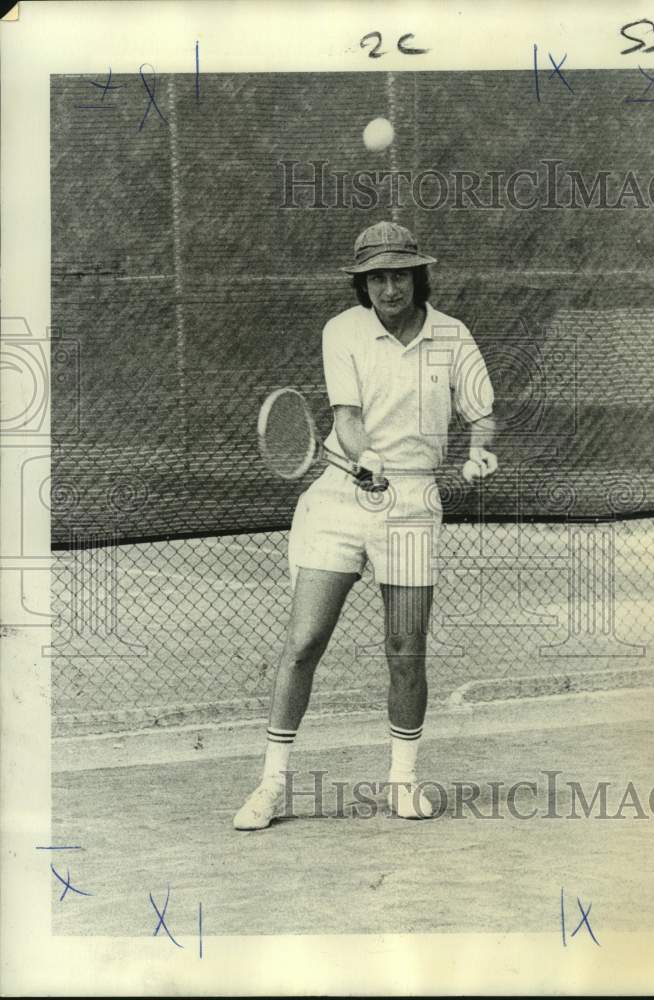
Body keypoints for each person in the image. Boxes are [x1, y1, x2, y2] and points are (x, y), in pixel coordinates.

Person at [234, 220, 497, 830]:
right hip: (341, 497)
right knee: (303, 643)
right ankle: (272, 784)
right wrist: (364, 457)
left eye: (398, 274)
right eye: (376, 277)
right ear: (363, 283)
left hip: (412, 505)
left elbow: (483, 414)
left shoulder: (454, 337)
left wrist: (481, 449)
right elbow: (347, 418)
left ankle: (403, 782)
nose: (388, 288)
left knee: (406, 651)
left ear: (417, 275)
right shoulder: (342, 331)